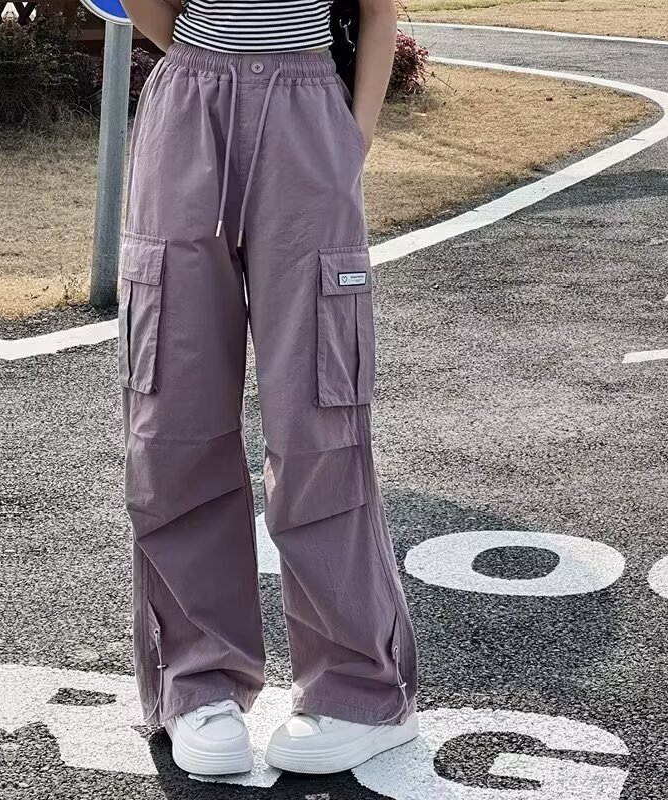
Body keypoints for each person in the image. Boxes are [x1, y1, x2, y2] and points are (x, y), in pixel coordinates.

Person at [118, 0, 419, 776]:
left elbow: (377, 9)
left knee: (319, 413)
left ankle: (359, 686)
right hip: (189, 105)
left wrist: (349, 141)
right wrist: (219, 65)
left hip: (307, 110)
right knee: (174, 409)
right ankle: (198, 680)